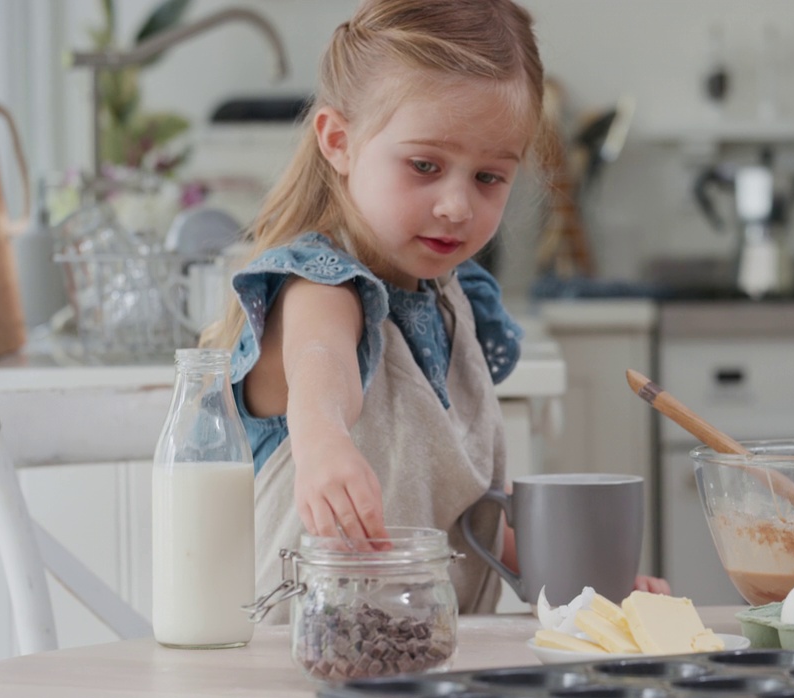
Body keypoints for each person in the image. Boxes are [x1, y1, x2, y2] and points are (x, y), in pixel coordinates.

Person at [201, 0, 668, 623]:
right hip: (296, 673)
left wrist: (586, 587)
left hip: (425, 663)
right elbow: (322, 366)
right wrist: (324, 443)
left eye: (489, 178)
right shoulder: (317, 287)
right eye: (425, 166)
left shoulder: (453, 301)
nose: (457, 204)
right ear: (338, 142)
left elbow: (456, 517)